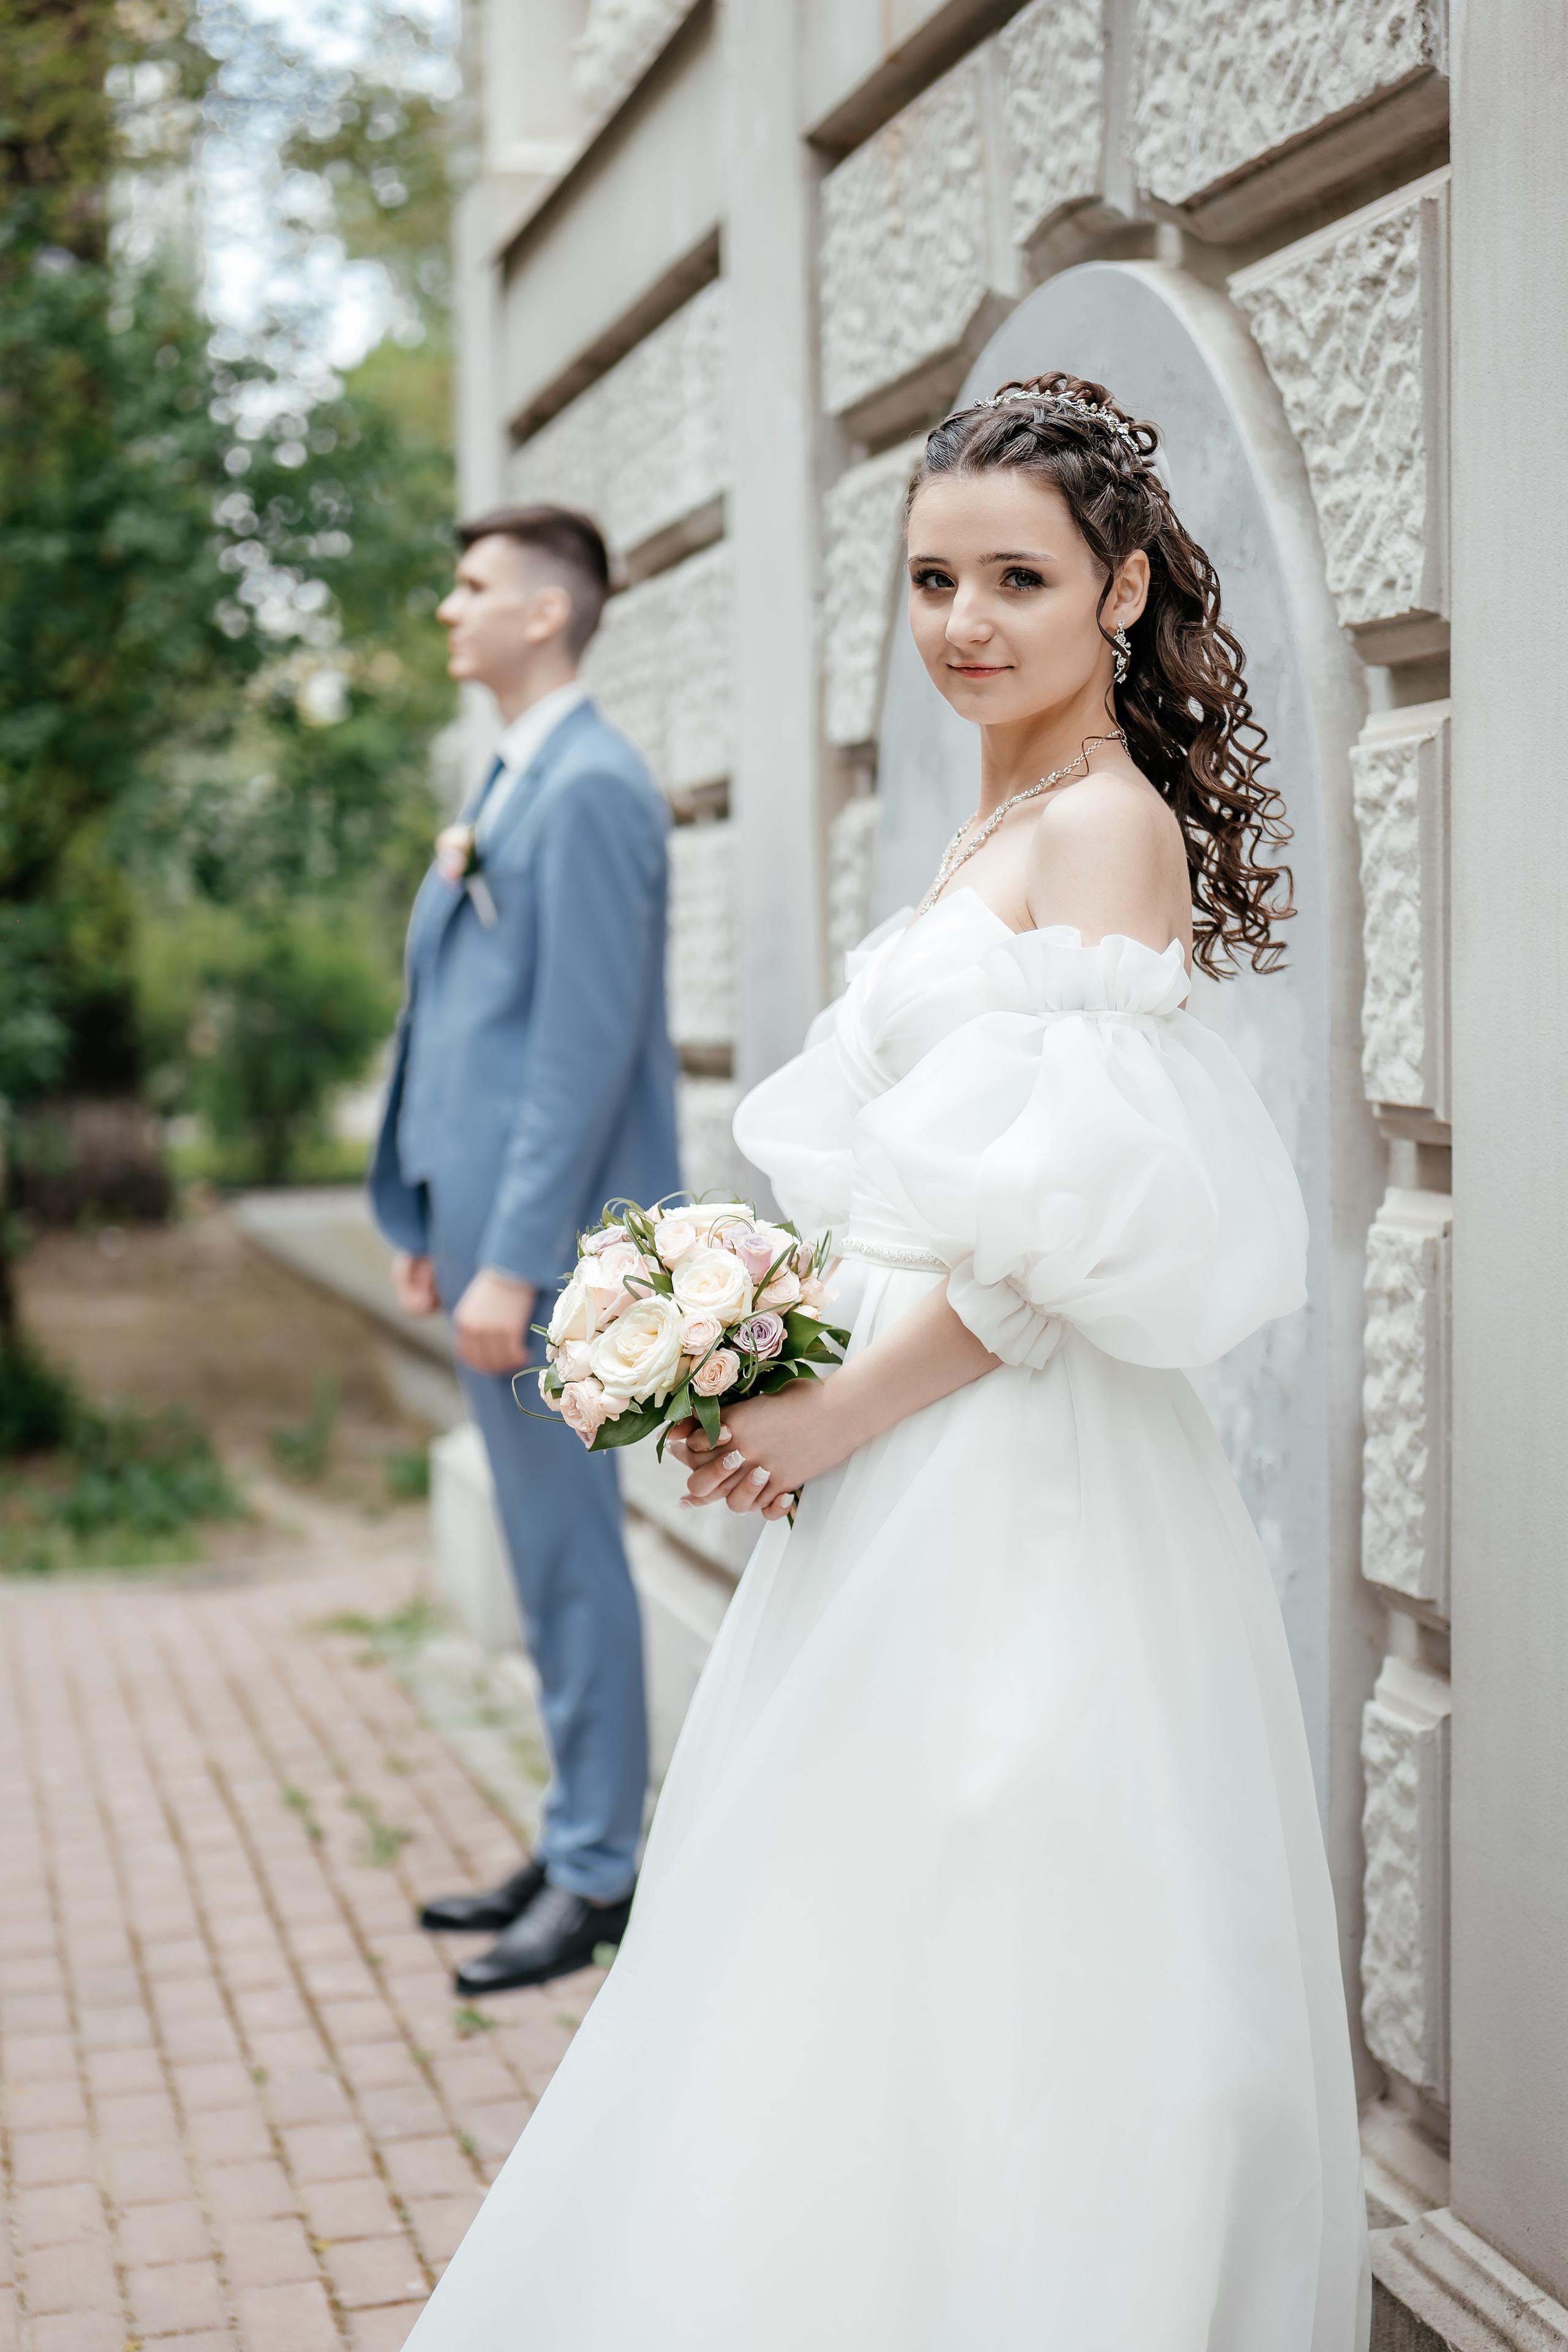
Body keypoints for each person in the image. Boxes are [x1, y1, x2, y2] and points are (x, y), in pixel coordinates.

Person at [402, 378, 1370, 2347]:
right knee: (845, 1914)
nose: (965, 621)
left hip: (1024, 1470)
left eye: (1018, 577)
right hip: (915, 1446)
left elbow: (1069, 1238)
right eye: (934, 577)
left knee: (1005, 1882)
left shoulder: (1107, 832)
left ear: (1122, 589)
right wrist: (755, 1333)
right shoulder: (996, 814)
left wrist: (836, 1400)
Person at [369, 503, 680, 1994]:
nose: (449, 608)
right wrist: (428, 1222)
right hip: (485, 1240)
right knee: (543, 1554)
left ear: (547, 615)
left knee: (571, 1561)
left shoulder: (594, 791)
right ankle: (571, 1838)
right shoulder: (515, 777)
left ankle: (600, 1871)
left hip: (547, 1263)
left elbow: (576, 1056)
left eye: (473, 586)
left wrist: (513, 1264)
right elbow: (455, 1029)